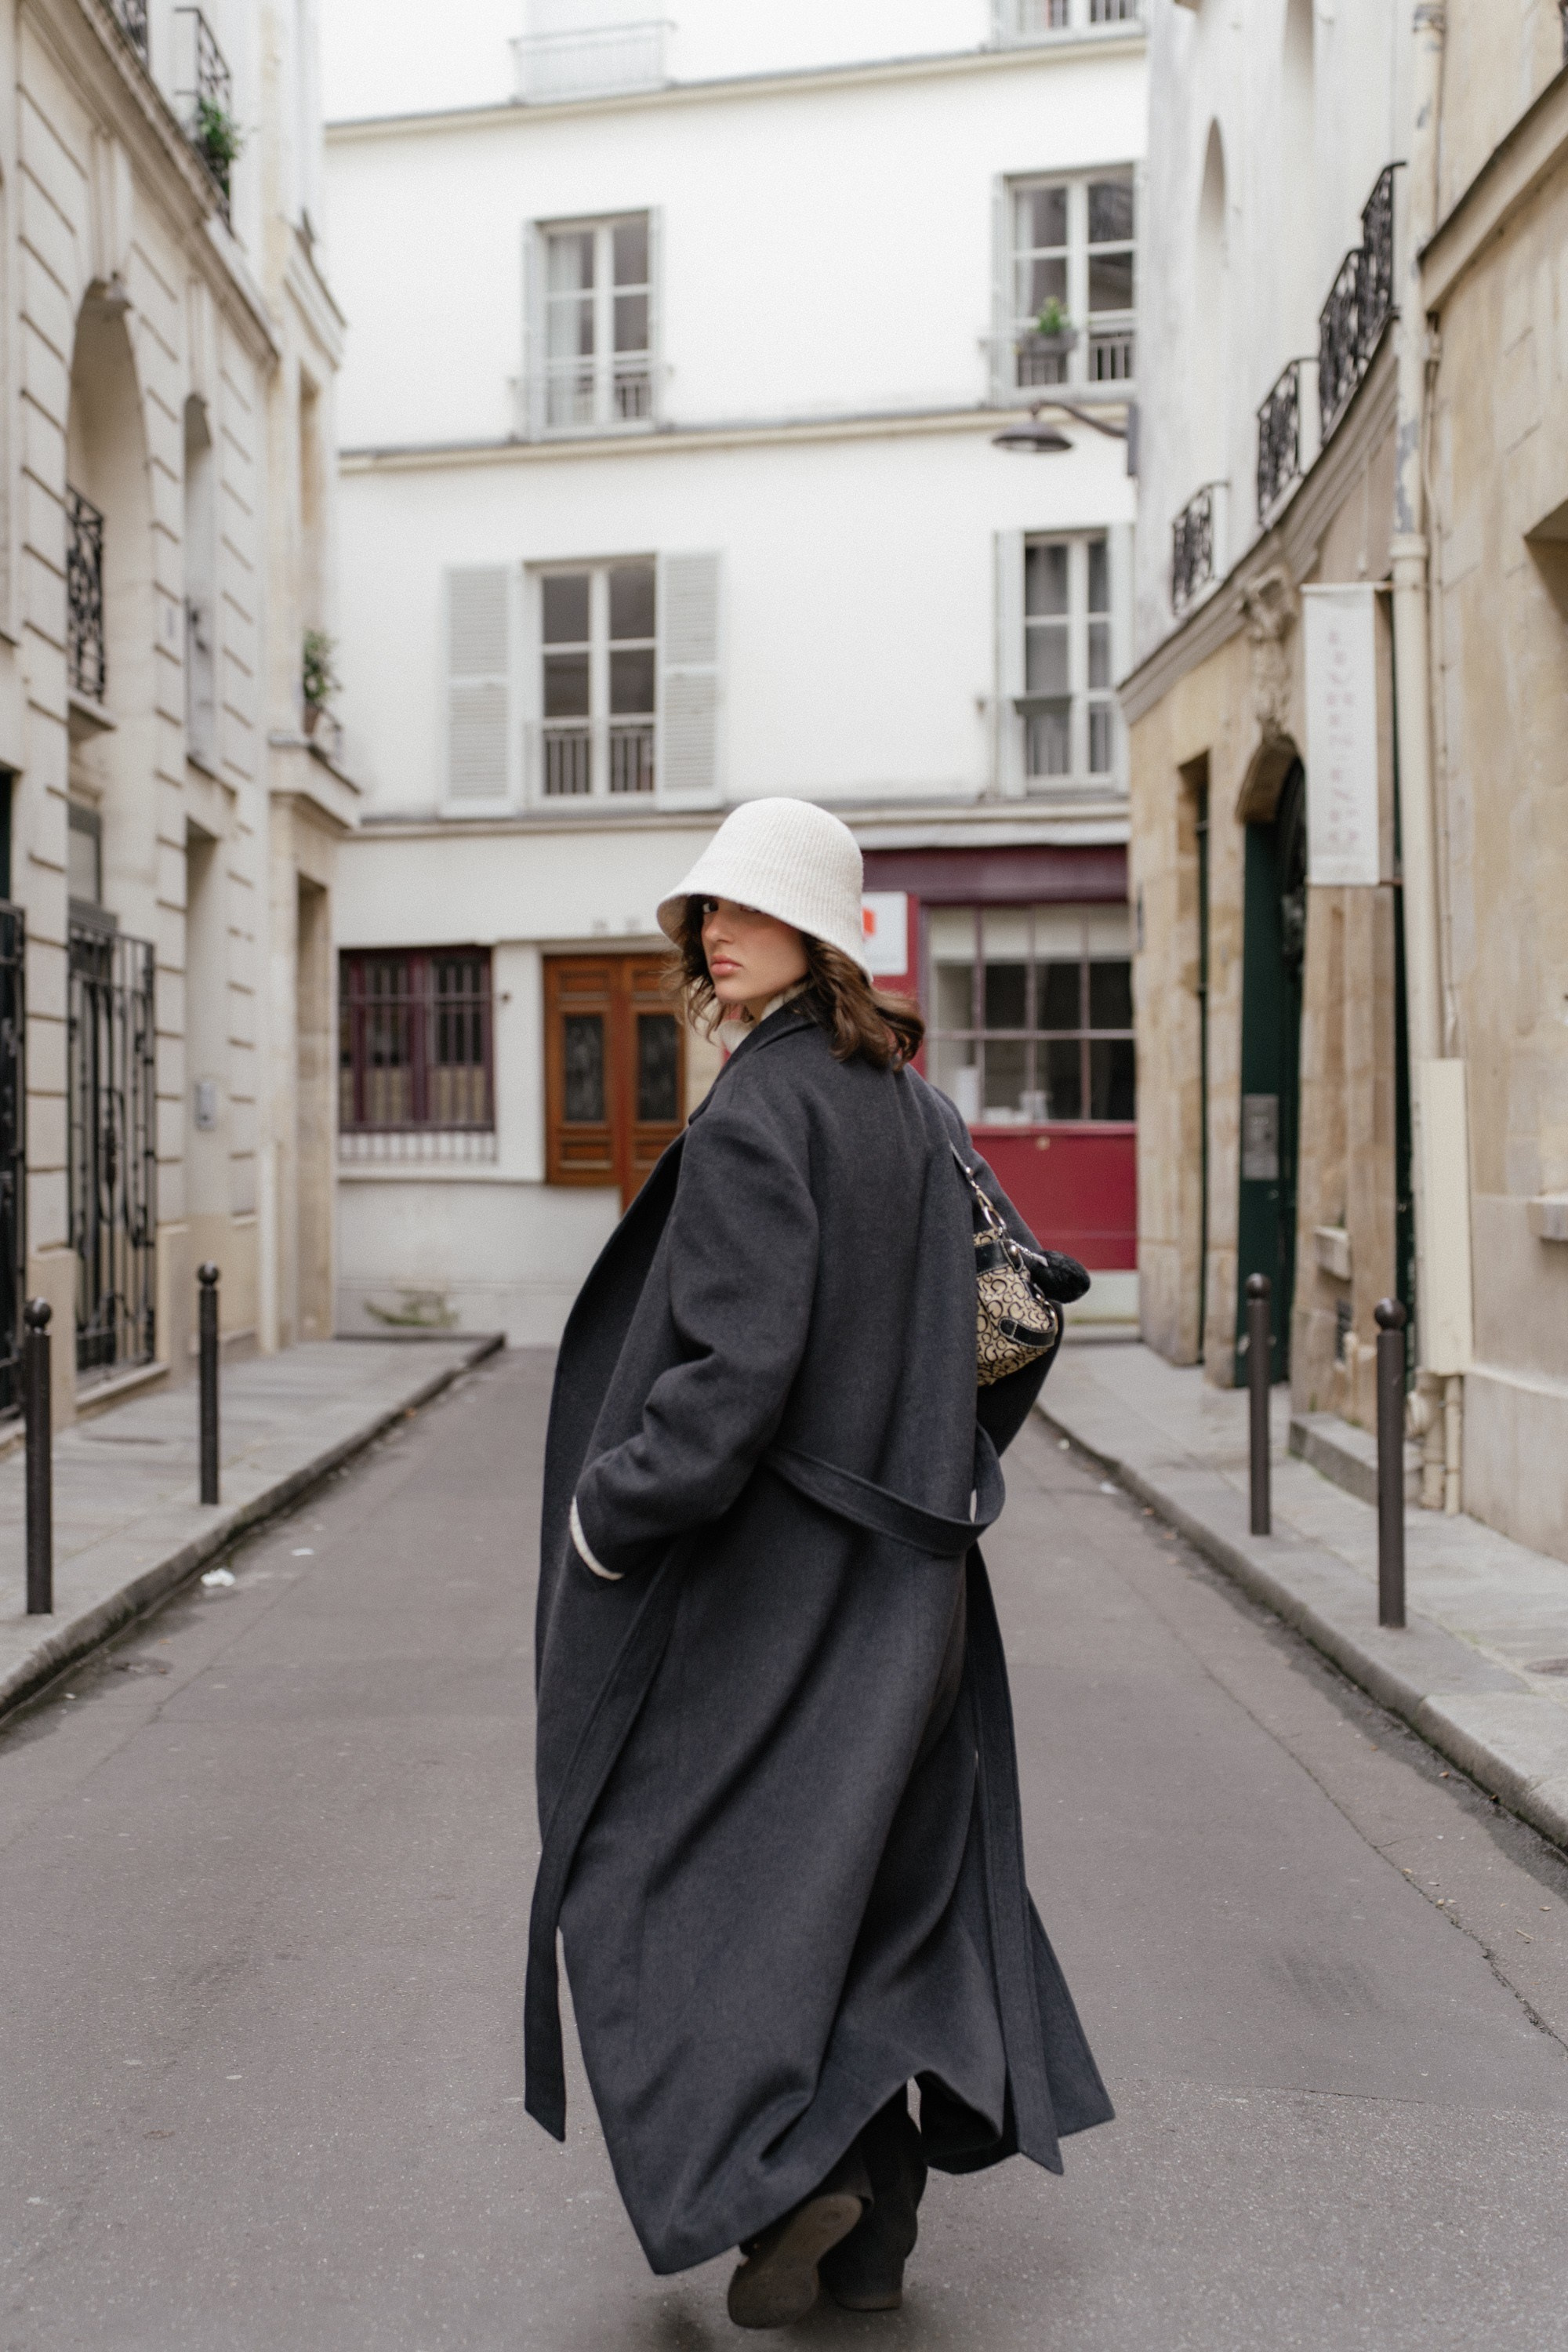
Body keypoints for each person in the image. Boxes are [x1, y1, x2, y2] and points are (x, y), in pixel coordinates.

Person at [526, 797, 1112, 2328]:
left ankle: (770, 2179)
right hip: (915, 1595)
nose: (711, 933)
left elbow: (728, 1383)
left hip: (780, 1592)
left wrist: (616, 1506)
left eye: (742, 911)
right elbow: (1020, 1312)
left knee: (677, 1871)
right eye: (702, 915)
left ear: (813, 938)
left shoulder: (754, 1116)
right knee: (861, 1893)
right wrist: (928, 1458)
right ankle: (867, 2233)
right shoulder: (910, 1108)